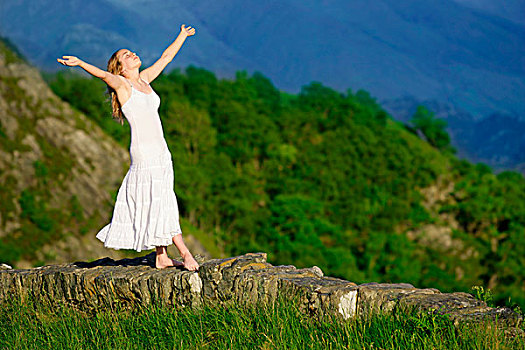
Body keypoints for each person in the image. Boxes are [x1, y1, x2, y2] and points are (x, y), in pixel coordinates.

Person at [57, 24, 199, 271]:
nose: (132, 54)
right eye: (126, 55)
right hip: (145, 153)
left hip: (162, 153)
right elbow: (103, 76)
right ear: (120, 68)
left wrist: (182, 36)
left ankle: (162, 256)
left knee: (161, 199)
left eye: (131, 51)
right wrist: (80, 63)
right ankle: (185, 253)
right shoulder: (123, 85)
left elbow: (166, 57)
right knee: (163, 200)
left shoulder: (144, 80)